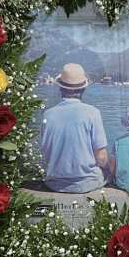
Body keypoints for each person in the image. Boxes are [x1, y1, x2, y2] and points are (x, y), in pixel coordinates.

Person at [40, 63, 108, 193]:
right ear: (83, 89)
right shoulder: (92, 113)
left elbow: (46, 150)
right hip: (89, 183)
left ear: (61, 88)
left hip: (54, 184)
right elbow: (101, 157)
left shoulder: (48, 115)